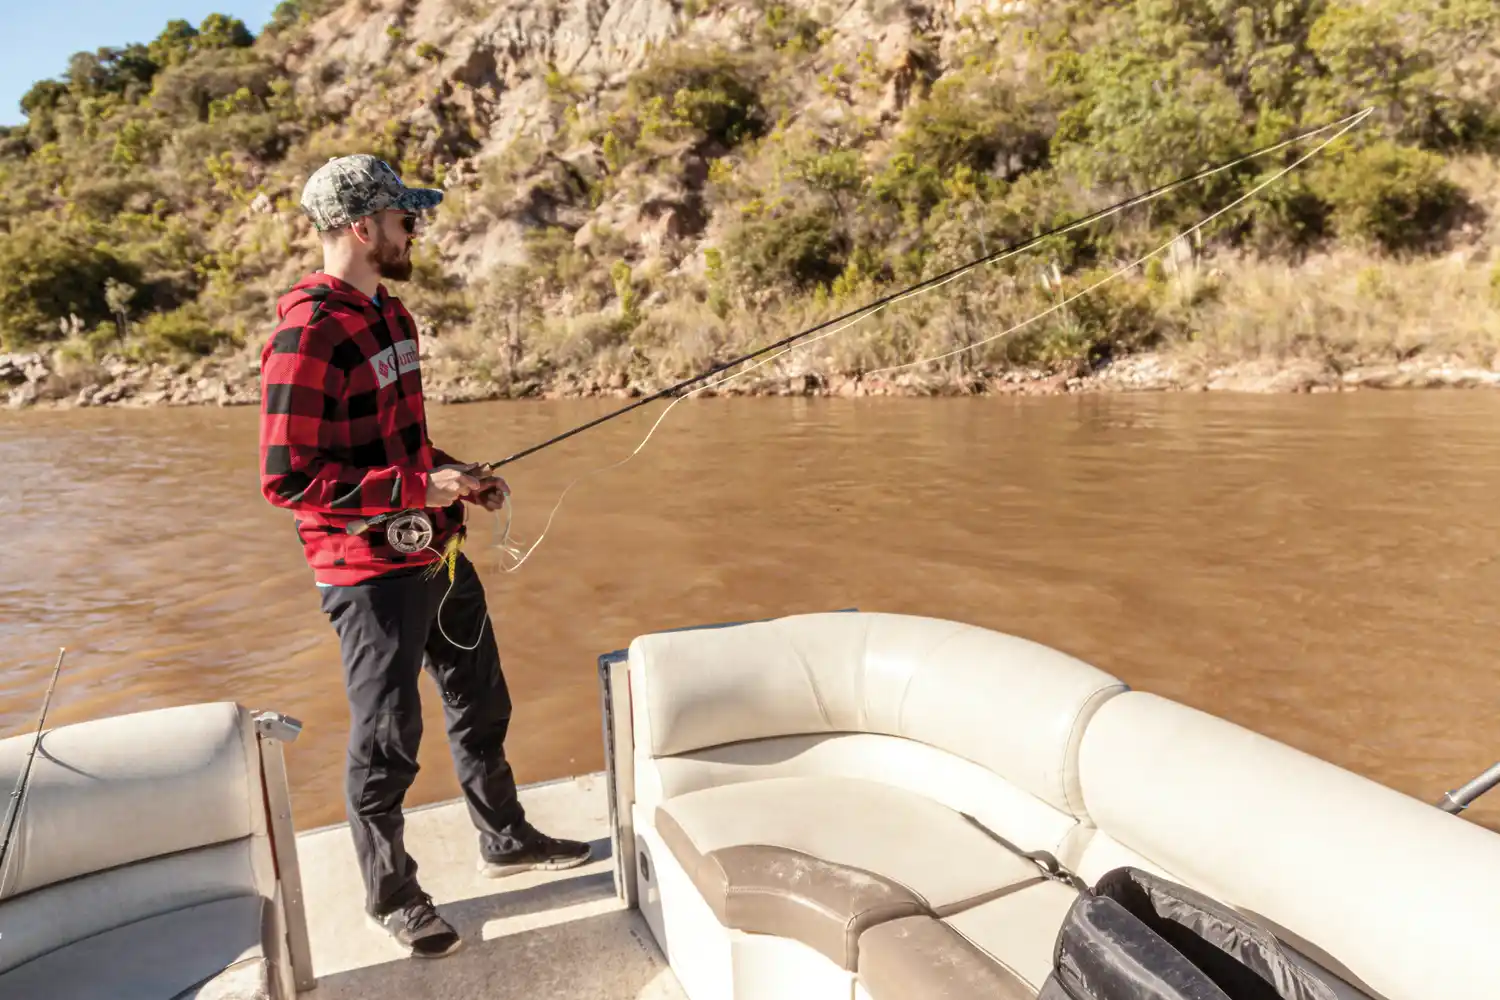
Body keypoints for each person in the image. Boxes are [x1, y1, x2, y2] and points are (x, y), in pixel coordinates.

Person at [257, 154, 591, 960]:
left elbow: (399, 444)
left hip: (436, 554)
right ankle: (393, 895)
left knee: (483, 700)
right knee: (388, 736)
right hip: (367, 577)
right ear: (362, 227)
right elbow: (287, 480)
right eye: (405, 218)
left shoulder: (394, 316)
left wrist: (456, 475)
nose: (416, 230)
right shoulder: (306, 335)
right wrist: (418, 485)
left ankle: (505, 837)